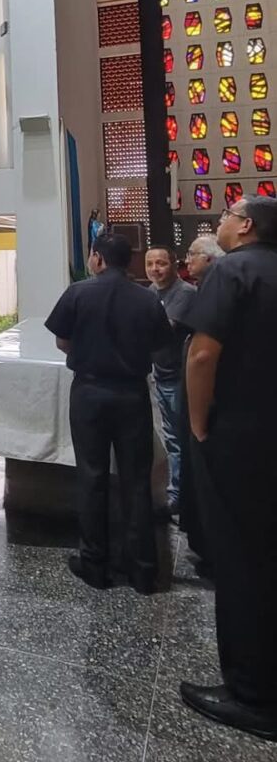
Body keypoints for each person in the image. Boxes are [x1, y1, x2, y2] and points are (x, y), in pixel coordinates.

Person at [180, 197, 277, 740]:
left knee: (240, 558)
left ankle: (252, 693)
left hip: (240, 433)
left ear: (246, 226)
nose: (218, 222)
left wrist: (197, 424)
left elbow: (201, 355)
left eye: (226, 215)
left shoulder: (234, 269)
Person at [45, 233, 172, 592]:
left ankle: (95, 565)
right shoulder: (148, 299)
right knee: (136, 479)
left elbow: (62, 340)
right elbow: (161, 345)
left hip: (89, 392)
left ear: (98, 258)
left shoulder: (78, 293)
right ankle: (144, 570)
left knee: (92, 476)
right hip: (132, 394)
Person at [179, 235, 223, 567]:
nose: (187, 261)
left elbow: (202, 356)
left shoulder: (221, 285)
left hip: (212, 403)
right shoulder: (208, 287)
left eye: (192, 255)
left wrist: (195, 418)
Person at [145, 245, 196, 517]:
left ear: (174, 265)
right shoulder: (151, 293)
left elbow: (166, 329)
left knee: (178, 439)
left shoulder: (185, 293)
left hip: (178, 377)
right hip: (158, 374)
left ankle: (180, 496)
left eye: (161, 263)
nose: (155, 269)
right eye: (150, 263)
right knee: (169, 437)